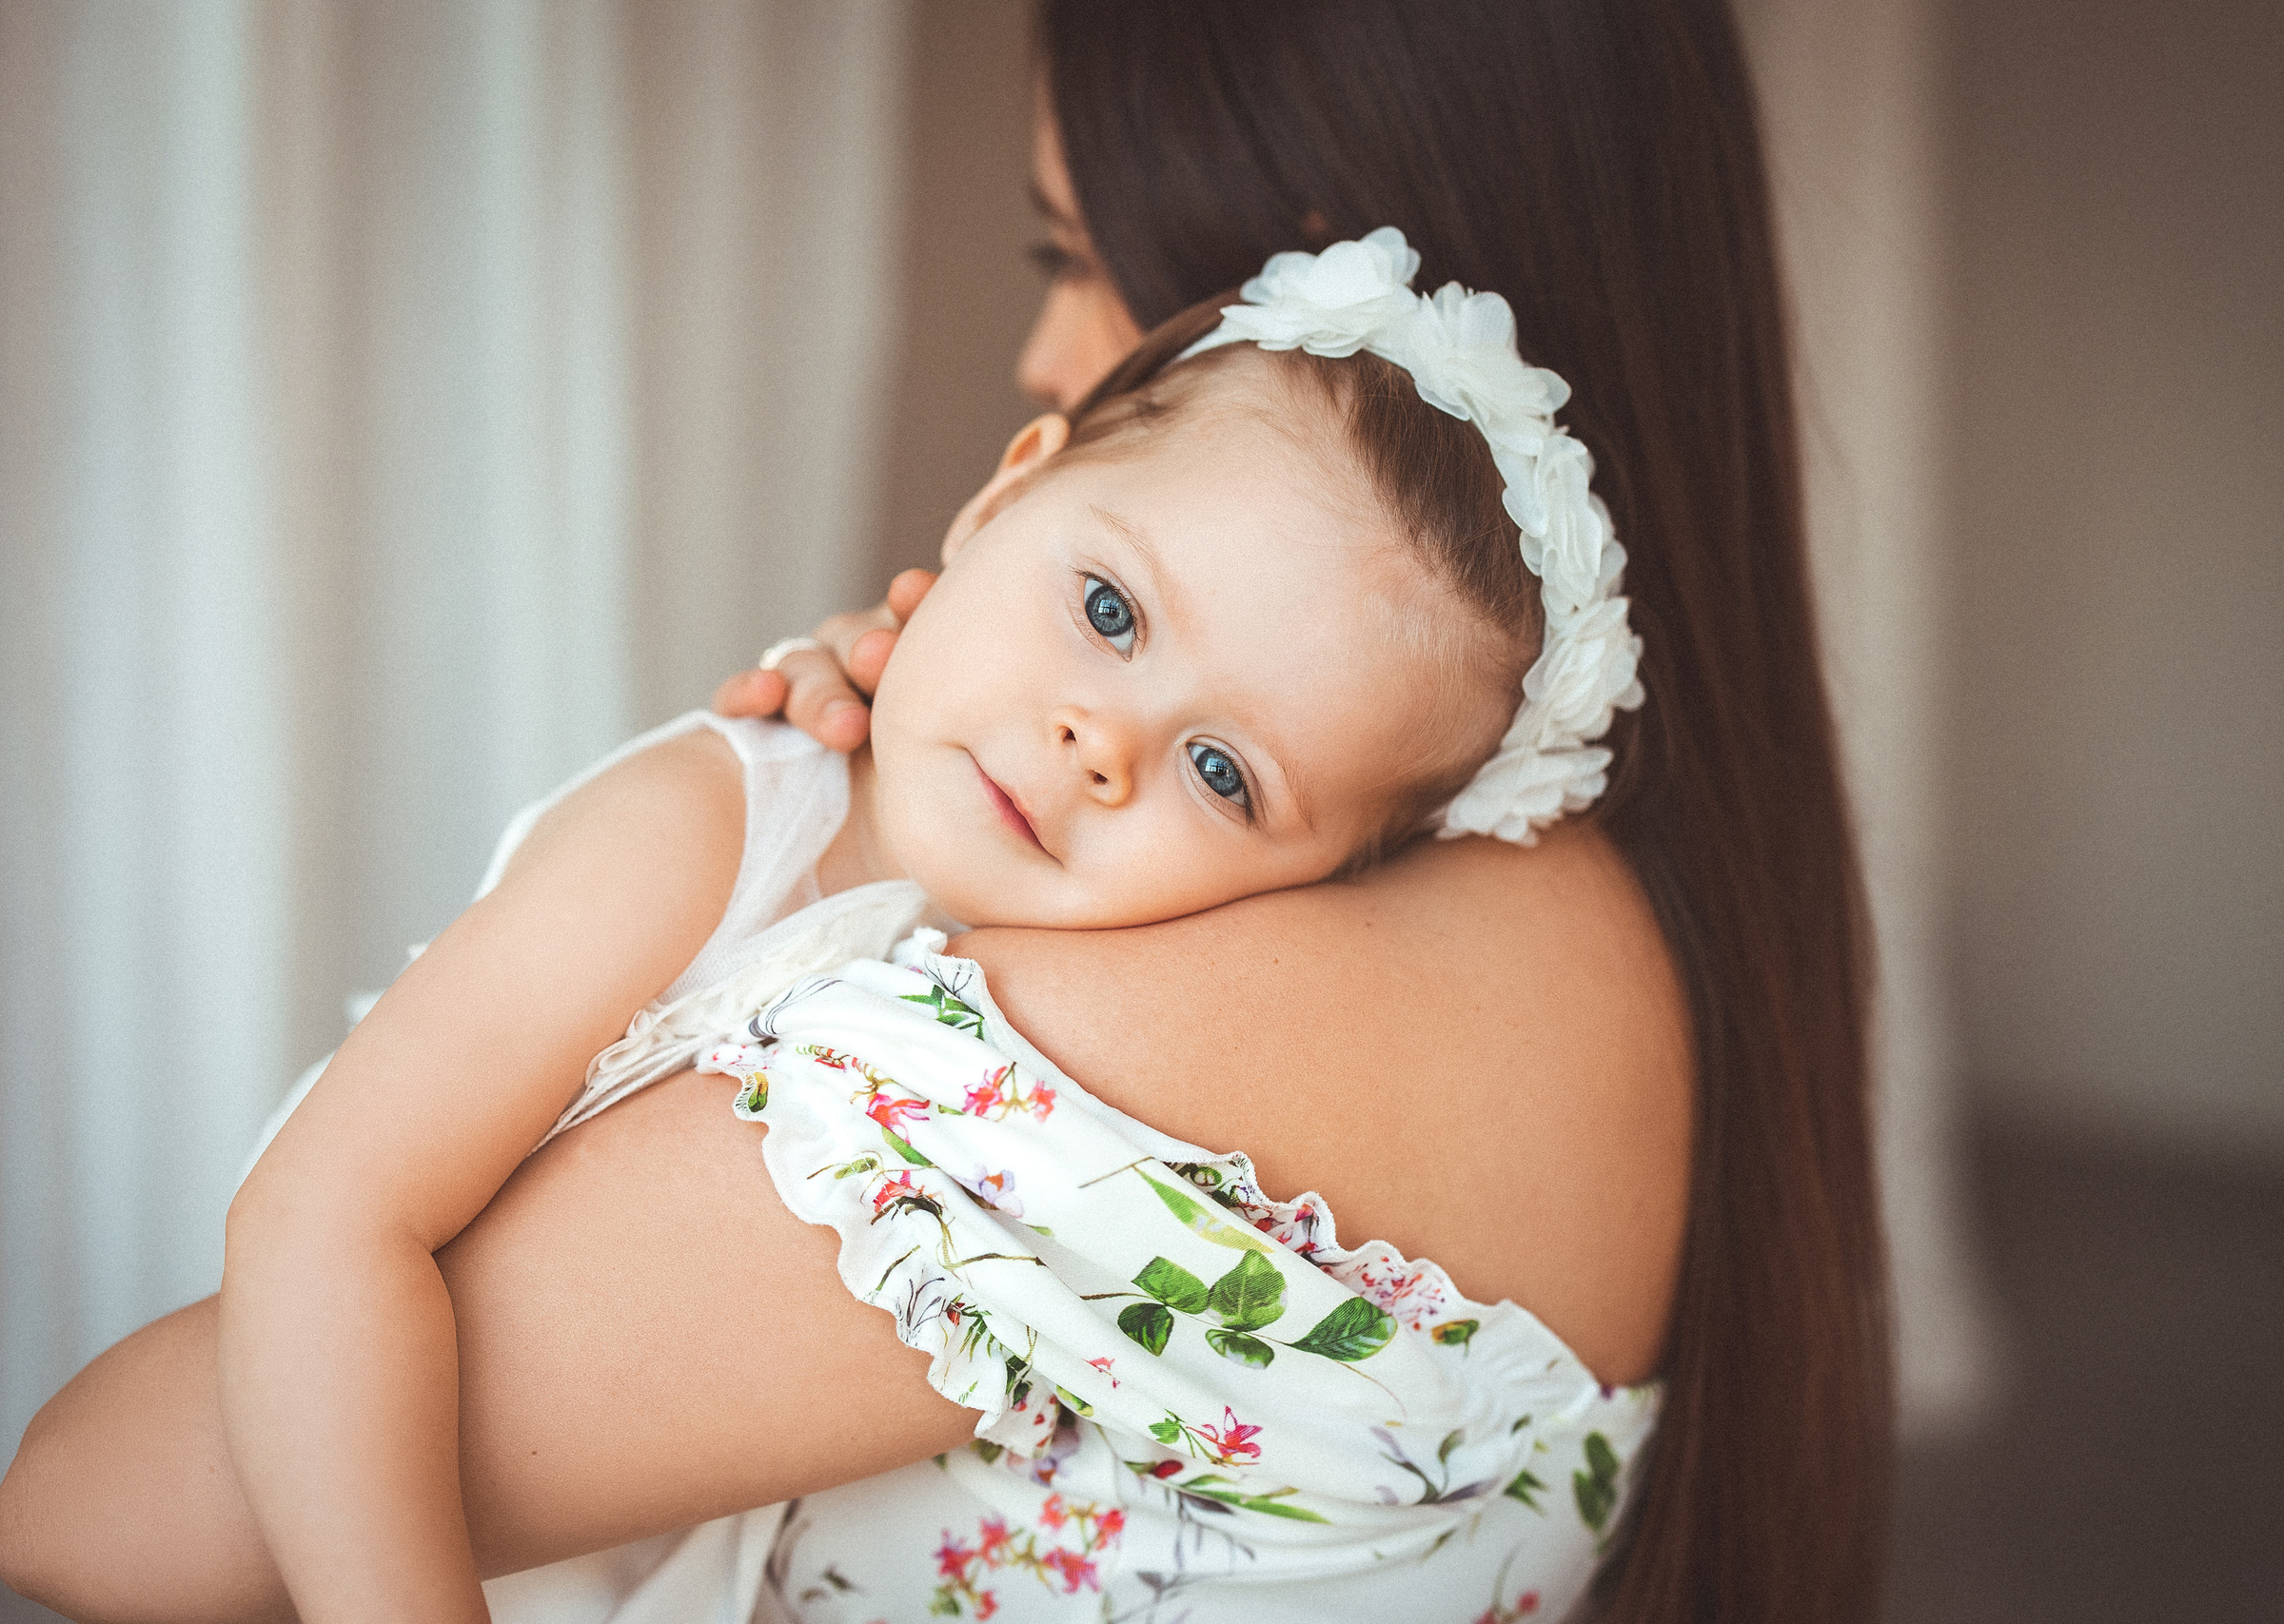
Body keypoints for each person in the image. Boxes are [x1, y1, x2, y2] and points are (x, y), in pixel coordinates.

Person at [0, 4, 1887, 1622]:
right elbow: (308, 1245)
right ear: (1010, 500)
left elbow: (99, 1493)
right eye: (1106, 602)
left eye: (1078, 256)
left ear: (1310, 267)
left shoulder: (1162, 1028)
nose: (1051, 354)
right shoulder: (1589, 933)